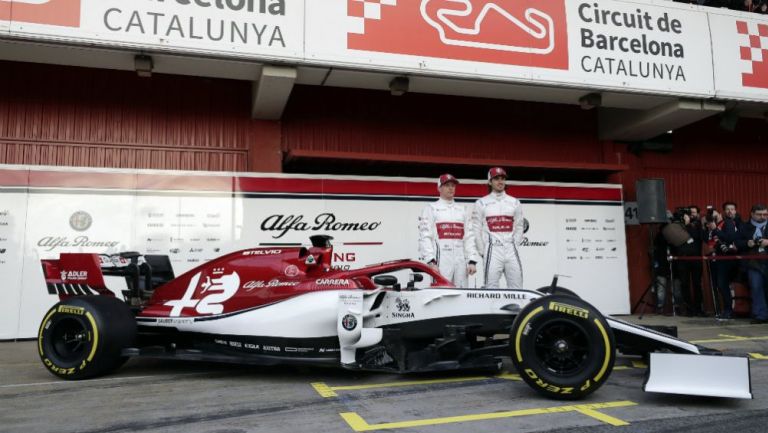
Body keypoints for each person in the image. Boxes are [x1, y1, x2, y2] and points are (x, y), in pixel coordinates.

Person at [418, 174, 478, 287]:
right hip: (441, 262)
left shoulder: (463, 210)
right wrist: (431, 262)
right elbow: (425, 237)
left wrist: (472, 261)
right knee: (441, 294)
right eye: (447, 185)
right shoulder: (431, 208)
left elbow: (469, 237)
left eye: (453, 185)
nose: (451, 188)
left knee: (462, 294)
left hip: (461, 262)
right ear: (439, 188)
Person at [472, 167, 524, 289]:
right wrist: (483, 250)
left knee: (517, 287)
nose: (500, 182)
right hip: (492, 249)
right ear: (490, 182)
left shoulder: (515, 202)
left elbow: (520, 226)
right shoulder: (481, 203)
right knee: (491, 288)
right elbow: (476, 228)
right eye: (496, 179)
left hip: (511, 249)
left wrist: (514, 244)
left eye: (502, 179)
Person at [704, 202, 741, 319]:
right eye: (727, 209)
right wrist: (708, 226)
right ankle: (726, 309)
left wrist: (716, 230)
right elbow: (707, 239)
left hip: (728, 259)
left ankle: (728, 310)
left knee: (723, 284)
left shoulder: (728, 222)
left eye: (732, 209)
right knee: (720, 285)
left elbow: (730, 238)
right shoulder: (718, 224)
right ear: (723, 211)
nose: (730, 211)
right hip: (718, 258)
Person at [734, 204, 768, 324]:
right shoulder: (744, 227)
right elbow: (736, 242)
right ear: (752, 214)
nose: (763, 217)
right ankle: (760, 315)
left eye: (765, 214)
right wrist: (747, 244)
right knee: (756, 287)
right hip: (752, 263)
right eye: (759, 214)